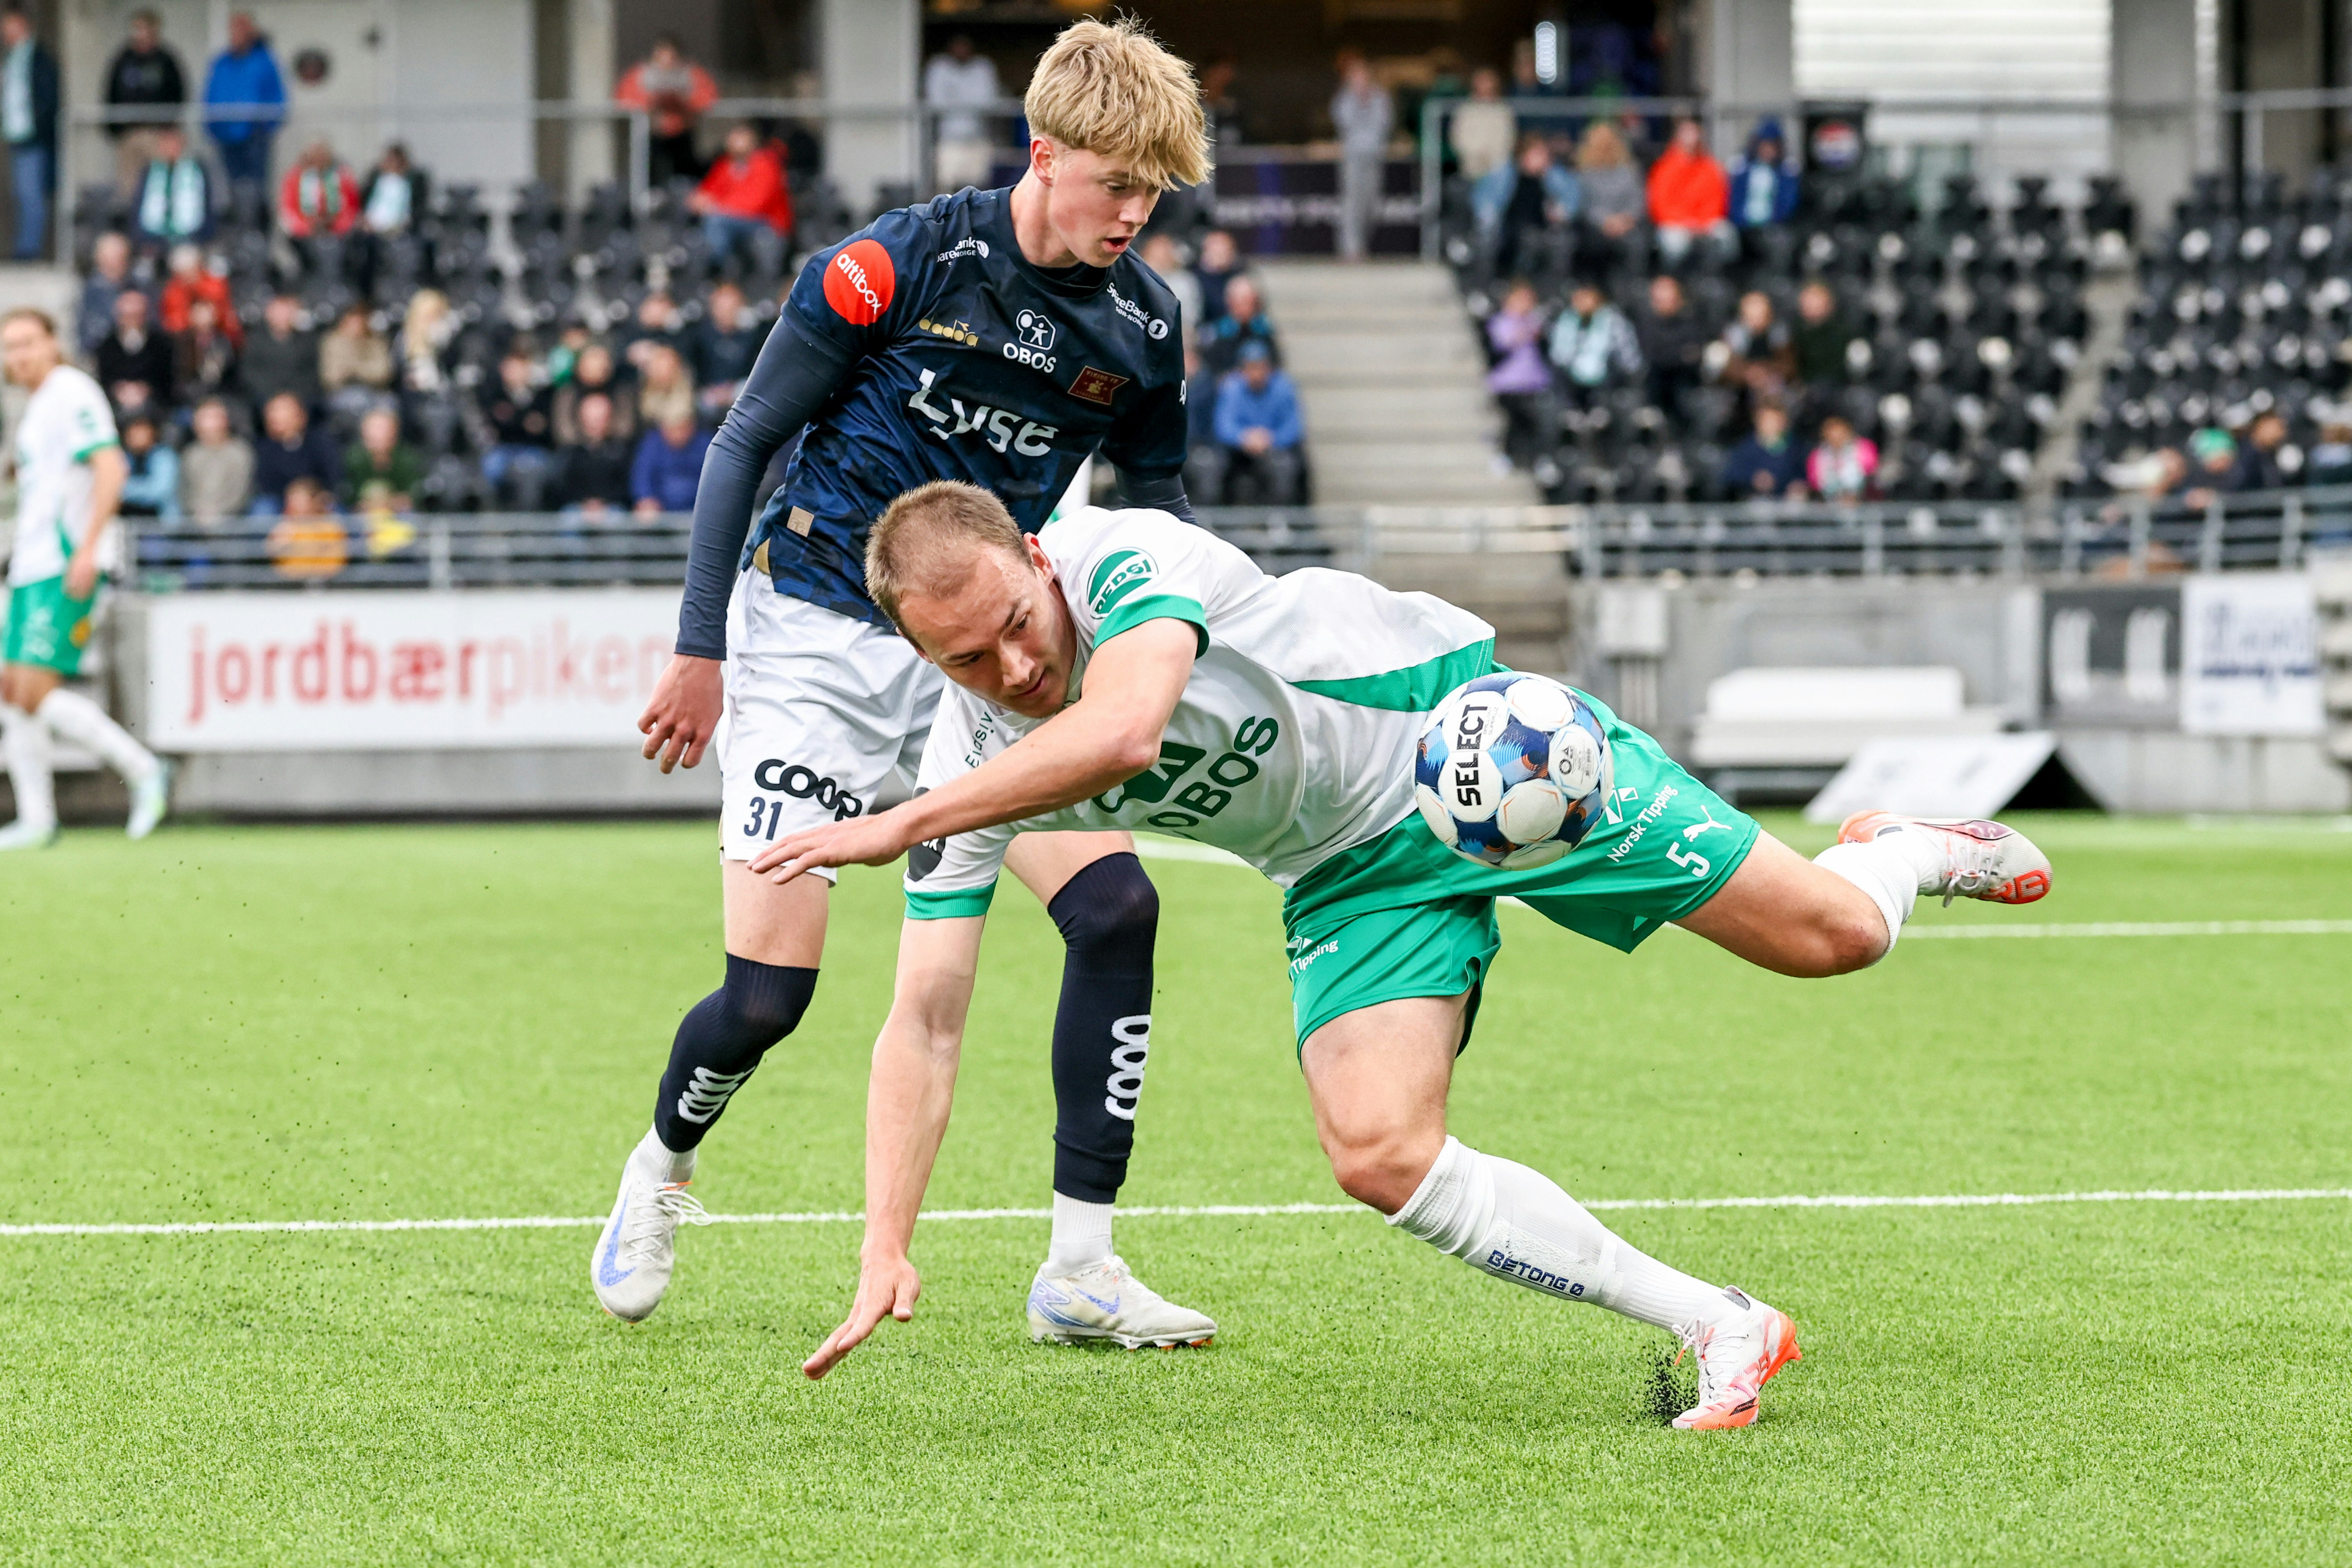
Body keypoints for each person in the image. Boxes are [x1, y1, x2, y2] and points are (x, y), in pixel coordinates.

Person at [780, 481, 2056, 1427]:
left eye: (1016, 621)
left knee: (1833, 938)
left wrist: (905, 820)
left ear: (1035, 557)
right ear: (920, 657)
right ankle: (1718, 1324)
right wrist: (885, 1242)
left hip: (1474, 746)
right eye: (967, 660)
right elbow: (925, 1019)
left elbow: (1123, 733)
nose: (1013, 666)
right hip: (1345, 871)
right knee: (1374, 1149)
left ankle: (1897, 851)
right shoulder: (969, 765)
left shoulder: (1122, 557)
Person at [606, 17, 1215, 1347]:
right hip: (812, 640)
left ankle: (1081, 1269)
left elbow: (1164, 515)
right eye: (1114, 181)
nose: (1132, 213)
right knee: (767, 1000)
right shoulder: (897, 263)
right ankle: (662, 1164)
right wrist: (700, 648)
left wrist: (1152, 661)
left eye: (1153, 191)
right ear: (1041, 153)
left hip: (992, 660)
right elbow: (745, 438)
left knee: (1116, 909)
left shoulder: (1143, 328)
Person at [0, 309, 171, 850]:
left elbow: (111, 467)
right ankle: (36, 819)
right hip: (30, 565)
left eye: (28, 342)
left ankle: (144, 769)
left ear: (53, 343)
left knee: (33, 690)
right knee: (12, 691)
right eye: (9, 347)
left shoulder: (71, 391)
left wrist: (89, 549)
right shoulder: (37, 407)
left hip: (64, 561)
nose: (18, 356)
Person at [614, 35, 716, 189]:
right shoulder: (642, 74)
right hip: (651, 135)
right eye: (661, 57)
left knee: (686, 177)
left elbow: (707, 100)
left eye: (671, 58)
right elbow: (624, 101)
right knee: (649, 176)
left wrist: (683, 99)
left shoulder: (690, 74)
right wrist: (653, 100)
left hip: (683, 135)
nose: (666, 63)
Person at [1472, 136, 1579, 283]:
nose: (1543, 159)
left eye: (1545, 154)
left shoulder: (1554, 176)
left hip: (1543, 229)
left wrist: (1560, 213)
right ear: (1523, 155)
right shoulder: (1503, 174)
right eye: (1537, 153)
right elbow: (1484, 203)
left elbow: (1571, 202)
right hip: (1507, 229)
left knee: (1558, 242)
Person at [202, 12, 283, 206]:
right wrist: (212, 127)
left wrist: (265, 125)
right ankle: (236, 220)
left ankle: (257, 221)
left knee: (257, 186)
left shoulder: (264, 61)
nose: (237, 33)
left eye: (242, 28)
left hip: (255, 134)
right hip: (225, 135)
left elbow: (277, 97)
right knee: (230, 185)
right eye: (234, 29)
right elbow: (210, 95)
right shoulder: (221, 62)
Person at [102, 9, 187, 194]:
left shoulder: (166, 60)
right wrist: (115, 129)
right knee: (129, 189)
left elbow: (178, 95)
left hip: (157, 134)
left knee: (160, 186)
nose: (140, 34)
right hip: (129, 134)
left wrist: (170, 129)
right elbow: (111, 93)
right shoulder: (123, 59)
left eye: (144, 29)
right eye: (137, 29)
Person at [1208, 340, 1304, 503]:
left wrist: (1271, 439)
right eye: (1251, 368)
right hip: (1239, 451)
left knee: (1285, 467)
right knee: (1216, 466)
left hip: (1274, 449)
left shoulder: (1284, 388)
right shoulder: (1232, 388)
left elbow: (1293, 426)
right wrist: (1244, 438)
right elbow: (1224, 426)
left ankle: (1281, 515)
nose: (1256, 373)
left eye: (1261, 367)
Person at [690, 123, 792, 274]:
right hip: (733, 222)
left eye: (742, 139)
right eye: (734, 140)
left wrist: (716, 207)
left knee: (716, 221)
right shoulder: (725, 165)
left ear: (753, 143)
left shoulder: (766, 165)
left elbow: (755, 205)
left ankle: (716, 270)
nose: (737, 144)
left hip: (767, 224)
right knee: (708, 224)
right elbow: (702, 196)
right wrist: (704, 203)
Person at [1, 7, 60, 260]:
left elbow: (48, 97)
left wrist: (38, 126)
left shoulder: (38, 58)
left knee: (31, 195)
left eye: (9, 26)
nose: (4, 32)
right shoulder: (12, 57)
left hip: (34, 138)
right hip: (17, 137)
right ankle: (25, 247)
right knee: (21, 195)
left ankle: (29, 251)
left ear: (22, 24)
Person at [1484, 279, 1556, 470]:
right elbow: (1501, 346)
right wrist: (1525, 332)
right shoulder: (1501, 322)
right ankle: (1507, 455)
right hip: (1509, 384)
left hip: (1533, 382)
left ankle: (1534, 459)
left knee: (1536, 423)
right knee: (1515, 421)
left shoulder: (1535, 322)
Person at [1330, 54, 1392, 263]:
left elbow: (1384, 124)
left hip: (1374, 158)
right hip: (1353, 158)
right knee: (1352, 203)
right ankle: (1351, 248)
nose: (1360, 80)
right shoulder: (1344, 99)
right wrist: (1358, 100)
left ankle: (1362, 245)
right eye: (1356, 77)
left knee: (1371, 203)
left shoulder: (1381, 98)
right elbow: (1344, 123)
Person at [1647, 116, 1731, 266]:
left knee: (1726, 235)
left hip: (1704, 222)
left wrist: (1701, 222)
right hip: (1675, 223)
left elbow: (1717, 201)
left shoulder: (1710, 168)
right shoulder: (1664, 168)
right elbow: (1660, 205)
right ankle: (1674, 276)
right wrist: (1685, 222)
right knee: (1674, 242)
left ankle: (1715, 275)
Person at [925, 34, 1002, 193]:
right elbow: (937, 102)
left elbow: (988, 102)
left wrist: (956, 102)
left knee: (979, 187)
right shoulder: (940, 67)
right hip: (949, 138)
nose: (962, 51)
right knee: (947, 187)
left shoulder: (982, 68)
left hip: (977, 137)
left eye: (965, 47)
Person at [1546, 280, 1643, 402]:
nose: (1582, 302)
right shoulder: (1566, 320)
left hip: (1606, 379)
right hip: (1573, 380)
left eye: (1587, 297)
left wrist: (1632, 374)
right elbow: (1558, 356)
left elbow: (1628, 355)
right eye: (1578, 298)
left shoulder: (1614, 321)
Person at [480, 348, 554, 507]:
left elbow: (543, 429)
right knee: (492, 467)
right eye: (511, 369)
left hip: (533, 448)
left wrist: (513, 419)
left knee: (534, 471)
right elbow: (497, 426)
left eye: (519, 368)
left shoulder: (542, 395)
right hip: (503, 448)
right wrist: (524, 422)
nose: (515, 373)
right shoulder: (494, 394)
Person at [249, 391, 340, 513]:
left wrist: (309, 494)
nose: (275, 416)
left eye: (283, 410)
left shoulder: (320, 442)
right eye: (272, 411)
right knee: (263, 509)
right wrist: (293, 497)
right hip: (280, 500)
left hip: (317, 497)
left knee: (337, 511)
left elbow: (332, 476)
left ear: (301, 415)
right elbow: (265, 484)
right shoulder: (264, 448)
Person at [551, 391, 636, 517]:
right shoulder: (570, 453)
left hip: (612, 507)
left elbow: (626, 485)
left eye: (600, 419)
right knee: (569, 517)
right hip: (577, 508)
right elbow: (561, 486)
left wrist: (602, 503)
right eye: (591, 419)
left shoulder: (622, 452)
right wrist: (585, 503)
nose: (595, 424)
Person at [95, 289, 176, 417]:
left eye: (137, 316)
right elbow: (103, 379)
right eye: (127, 316)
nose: (132, 322)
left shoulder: (161, 344)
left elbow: (168, 381)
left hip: (154, 405)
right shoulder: (106, 346)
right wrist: (119, 390)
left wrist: (147, 389)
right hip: (116, 404)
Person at [131, 125, 212, 249]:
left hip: (190, 238)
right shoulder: (149, 171)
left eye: (173, 142)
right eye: (166, 142)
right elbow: (138, 206)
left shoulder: (197, 170)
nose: (170, 147)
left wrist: (200, 239)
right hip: (152, 238)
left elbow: (207, 207)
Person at [689, 282, 762, 418]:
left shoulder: (751, 337)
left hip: (739, 392)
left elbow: (756, 372)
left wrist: (731, 390)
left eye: (732, 308)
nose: (727, 313)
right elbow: (692, 368)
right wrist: (711, 390)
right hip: (706, 393)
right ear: (713, 308)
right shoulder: (700, 336)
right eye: (722, 308)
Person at [1637, 274, 1708, 415]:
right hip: (1654, 386)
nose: (1665, 300)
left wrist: (1672, 355)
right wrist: (1679, 355)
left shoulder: (1693, 324)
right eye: (1660, 297)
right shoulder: (1644, 325)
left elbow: (1695, 356)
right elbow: (1651, 356)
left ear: (1680, 298)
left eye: (1669, 296)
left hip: (1686, 385)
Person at [243, 293, 321, 417]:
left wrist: (292, 398)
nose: (283, 317)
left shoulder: (307, 342)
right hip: (264, 396)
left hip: (298, 397)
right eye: (279, 312)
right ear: (269, 314)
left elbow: (311, 374)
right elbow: (250, 373)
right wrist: (274, 397)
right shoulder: (254, 341)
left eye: (288, 312)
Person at [1573, 122, 1646, 252]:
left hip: (1626, 224)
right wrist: (1606, 221)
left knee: (1636, 242)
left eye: (1609, 144)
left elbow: (1637, 200)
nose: (1604, 148)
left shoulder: (1630, 172)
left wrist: (1625, 219)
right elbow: (1584, 205)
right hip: (1593, 227)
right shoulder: (1583, 174)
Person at [180, 396, 253, 524]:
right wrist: (197, 513)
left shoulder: (240, 453)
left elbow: (241, 492)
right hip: (195, 521)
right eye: (203, 418)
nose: (208, 424)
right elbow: (184, 491)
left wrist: (218, 515)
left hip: (233, 521)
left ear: (225, 421)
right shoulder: (191, 454)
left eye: (213, 417)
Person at [1196, 274, 1278, 380]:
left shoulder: (1264, 330)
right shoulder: (1220, 332)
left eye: (1247, 302)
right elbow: (1213, 369)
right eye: (1240, 302)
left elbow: (1275, 363)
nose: (1244, 307)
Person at [553, 341, 636, 447]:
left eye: (602, 367)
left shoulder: (620, 391)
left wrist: (606, 436)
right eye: (590, 367)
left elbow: (625, 426)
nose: (597, 371)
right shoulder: (568, 392)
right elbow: (564, 429)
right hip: (576, 449)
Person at [343, 405, 422, 513]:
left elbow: (415, 494)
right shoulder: (351, 460)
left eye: (384, 428)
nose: (379, 434)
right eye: (374, 428)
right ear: (363, 432)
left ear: (395, 432)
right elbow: (346, 495)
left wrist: (391, 503)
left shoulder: (408, 460)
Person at [631, 411, 711, 516]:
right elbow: (642, 478)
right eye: (674, 429)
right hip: (660, 514)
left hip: (698, 510)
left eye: (683, 428)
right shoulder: (651, 445)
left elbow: (714, 481)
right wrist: (646, 499)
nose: (679, 435)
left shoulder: (706, 445)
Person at [279, 138, 360, 242]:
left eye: (322, 155)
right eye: (315, 156)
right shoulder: (295, 178)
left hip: (338, 233)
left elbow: (351, 207)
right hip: (304, 234)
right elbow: (289, 208)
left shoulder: (343, 176)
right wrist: (308, 226)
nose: (319, 160)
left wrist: (334, 225)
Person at [319, 305, 391, 419]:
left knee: (389, 403)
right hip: (341, 392)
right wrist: (364, 369)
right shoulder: (333, 343)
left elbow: (384, 373)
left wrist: (354, 370)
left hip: (374, 391)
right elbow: (331, 377)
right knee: (358, 399)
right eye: (353, 321)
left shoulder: (377, 342)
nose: (357, 326)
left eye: (360, 321)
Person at [1728, 117, 1799, 231]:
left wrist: (1772, 223)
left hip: (1773, 229)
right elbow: (1734, 200)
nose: (1767, 150)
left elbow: (1787, 204)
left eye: (1772, 146)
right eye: (1764, 145)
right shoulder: (1742, 169)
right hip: (1743, 227)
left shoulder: (1787, 172)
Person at [78, 233, 142, 359]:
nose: (117, 263)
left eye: (122, 258)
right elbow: (90, 334)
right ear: (99, 259)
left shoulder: (136, 286)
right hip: (102, 356)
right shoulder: (90, 291)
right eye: (111, 259)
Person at [1721, 402, 1805, 498]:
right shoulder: (1746, 448)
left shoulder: (1795, 447)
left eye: (1777, 421)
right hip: (1753, 499)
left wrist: (1798, 484)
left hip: (1786, 500)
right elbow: (1731, 476)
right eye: (1769, 421)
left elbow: (1802, 474)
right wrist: (1754, 479)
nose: (1773, 425)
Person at [171, 295, 240, 410]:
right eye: (199, 313)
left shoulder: (223, 343)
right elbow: (179, 377)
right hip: (188, 399)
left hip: (219, 397)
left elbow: (229, 375)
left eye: (207, 313)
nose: (204, 318)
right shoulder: (181, 343)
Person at [159, 243, 236, 341]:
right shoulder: (171, 292)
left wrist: (212, 316)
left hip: (219, 336)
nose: (187, 277)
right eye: (182, 273)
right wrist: (191, 319)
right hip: (186, 339)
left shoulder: (215, 284)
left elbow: (227, 313)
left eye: (190, 271)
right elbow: (170, 322)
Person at [1449, 66, 1514, 183]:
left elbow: (1508, 140)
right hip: (1470, 164)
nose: (1485, 85)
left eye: (1488, 81)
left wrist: (1492, 159)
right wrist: (1476, 157)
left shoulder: (1504, 110)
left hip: (1497, 166)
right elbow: (1458, 140)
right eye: (1481, 81)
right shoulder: (1464, 110)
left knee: (1505, 172)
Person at [1138, 233, 1200, 347]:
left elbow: (1191, 318)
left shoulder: (1185, 281)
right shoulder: (1136, 277)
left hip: (1177, 335)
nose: (1162, 256)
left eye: (1166, 251)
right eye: (1157, 252)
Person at [117, 411, 181, 521]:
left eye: (142, 431)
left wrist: (123, 490)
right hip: (128, 522)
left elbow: (159, 492)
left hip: (161, 524)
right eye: (133, 431)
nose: (137, 436)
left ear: (153, 432)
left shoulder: (165, 456)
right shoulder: (123, 457)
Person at [1791, 280, 1853, 387]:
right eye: (1809, 304)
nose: (1813, 309)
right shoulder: (1794, 333)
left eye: (1817, 305)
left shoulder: (1844, 334)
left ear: (1830, 305)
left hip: (1838, 386)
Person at [1806, 414, 1878, 502]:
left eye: (1840, 434)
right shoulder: (1817, 456)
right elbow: (1815, 483)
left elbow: (1871, 474)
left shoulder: (1864, 448)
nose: (1836, 439)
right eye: (1831, 435)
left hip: (1862, 500)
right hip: (1828, 501)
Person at [635, 340, 696, 433]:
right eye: (658, 368)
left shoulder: (689, 395)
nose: (662, 372)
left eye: (667, 367)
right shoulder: (639, 395)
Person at [1191, 228, 1242, 330]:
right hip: (1202, 329)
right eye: (1217, 251)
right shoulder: (1191, 276)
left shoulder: (1239, 276)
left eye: (1226, 250)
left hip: (1234, 329)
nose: (1221, 255)